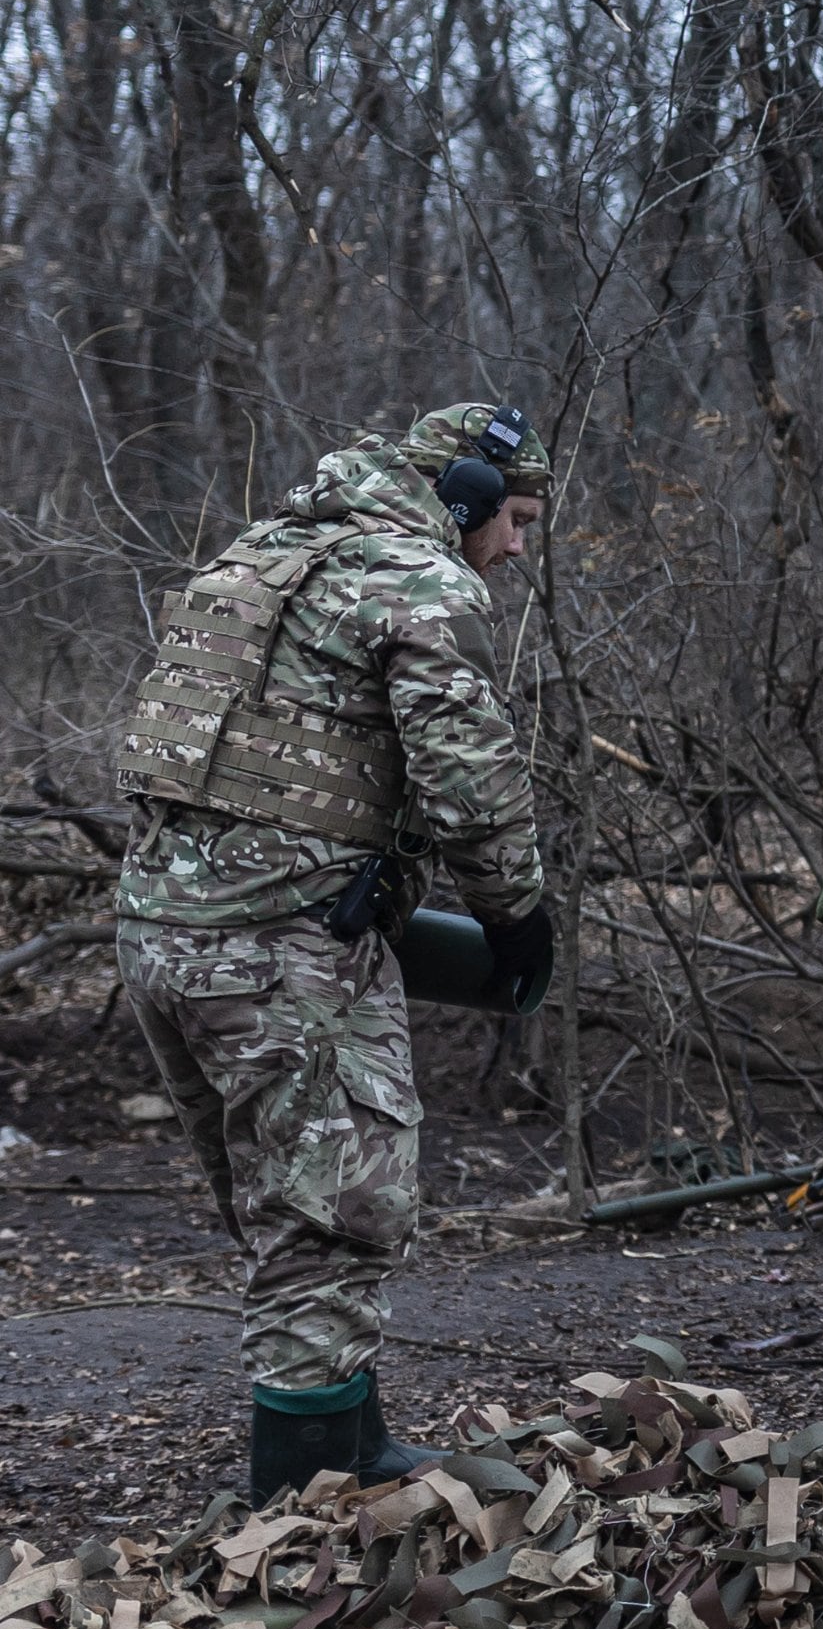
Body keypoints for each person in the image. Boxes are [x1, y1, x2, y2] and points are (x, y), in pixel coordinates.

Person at [115, 402, 558, 1502]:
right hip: (281, 955)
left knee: (284, 1213)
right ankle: (303, 1527)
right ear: (456, 496)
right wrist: (516, 914)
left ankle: (351, 1446)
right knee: (330, 1226)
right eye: (512, 518)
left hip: (162, 938)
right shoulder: (416, 577)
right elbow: (466, 772)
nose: (513, 548)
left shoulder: (259, 559)